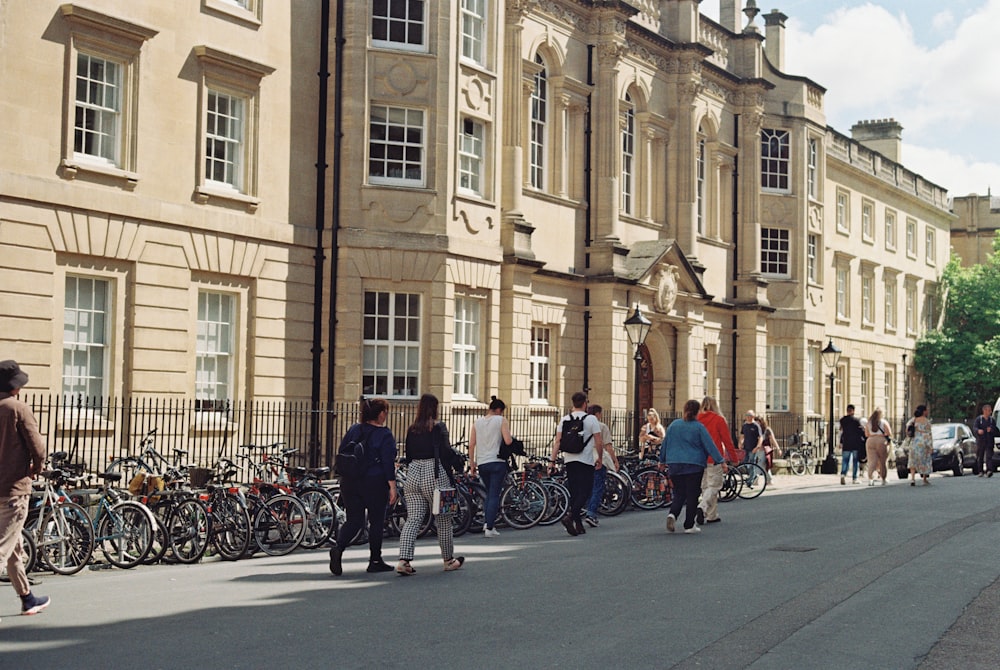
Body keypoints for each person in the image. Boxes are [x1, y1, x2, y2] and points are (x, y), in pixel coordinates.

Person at [0, 360, 50, 617]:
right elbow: (37, 446)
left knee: (14, 548)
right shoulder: (17, 408)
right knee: (3, 548)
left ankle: (27, 598)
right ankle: (27, 599)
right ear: (15, 386)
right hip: (13, 489)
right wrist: (37, 467)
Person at [329, 397, 399, 575]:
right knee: (376, 521)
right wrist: (392, 487)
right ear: (381, 414)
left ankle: (338, 548)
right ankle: (375, 560)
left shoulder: (354, 429)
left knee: (354, 520)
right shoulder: (385, 435)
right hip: (374, 482)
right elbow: (387, 463)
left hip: (350, 481)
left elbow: (342, 451)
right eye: (385, 412)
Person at [397, 394, 464, 575]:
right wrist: (458, 466)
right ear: (434, 408)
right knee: (443, 520)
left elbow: (409, 454)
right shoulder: (438, 427)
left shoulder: (412, 429)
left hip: (413, 474)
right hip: (434, 474)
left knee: (413, 519)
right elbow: (446, 452)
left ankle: (404, 560)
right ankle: (448, 560)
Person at [659, 399, 724, 534]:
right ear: (697, 411)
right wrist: (720, 460)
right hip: (694, 464)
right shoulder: (698, 427)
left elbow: (665, 443)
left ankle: (673, 514)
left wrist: (662, 460)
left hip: (674, 463)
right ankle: (689, 525)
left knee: (679, 493)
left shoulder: (674, 425)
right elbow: (709, 445)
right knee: (692, 494)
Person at [550, 391, 604, 536]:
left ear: (573, 403)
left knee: (575, 492)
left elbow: (558, 442)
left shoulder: (565, 419)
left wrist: (552, 461)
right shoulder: (591, 419)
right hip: (585, 460)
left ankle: (578, 524)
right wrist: (600, 457)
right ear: (585, 403)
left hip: (570, 459)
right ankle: (571, 517)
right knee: (586, 491)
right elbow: (598, 441)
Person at [468, 396, 513, 537]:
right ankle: (489, 527)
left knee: (488, 494)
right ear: (499, 410)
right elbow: (508, 440)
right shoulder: (501, 420)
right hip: (497, 462)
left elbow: (471, 444)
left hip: (482, 462)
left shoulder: (477, 422)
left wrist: (472, 464)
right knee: (494, 494)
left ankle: (487, 523)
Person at [695, 396, 736, 525]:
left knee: (705, 486)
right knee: (714, 486)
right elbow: (727, 441)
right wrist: (734, 458)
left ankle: (711, 515)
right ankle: (702, 507)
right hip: (714, 457)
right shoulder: (718, 419)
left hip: (699, 458)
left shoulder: (696, 419)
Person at [584, 404, 618, 527]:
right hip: (598, 458)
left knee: (587, 487)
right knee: (598, 487)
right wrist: (615, 460)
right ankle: (591, 513)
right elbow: (608, 446)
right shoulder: (602, 426)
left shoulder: (583, 425)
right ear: (598, 414)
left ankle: (585, 509)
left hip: (584, 459)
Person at [839, 404, 867, 485]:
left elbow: (842, 432)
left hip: (846, 443)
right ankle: (854, 478)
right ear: (853, 411)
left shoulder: (842, 420)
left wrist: (841, 442)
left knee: (845, 460)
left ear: (847, 410)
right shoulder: (856, 420)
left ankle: (843, 474)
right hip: (855, 443)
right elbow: (860, 431)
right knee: (855, 461)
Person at [865, 407, 893, 486]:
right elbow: (888, 432)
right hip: (881, 440)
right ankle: (883, 479)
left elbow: (866, 434)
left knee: (872, 461)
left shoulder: (869, 423)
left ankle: (871, 478)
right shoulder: (883, 422)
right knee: (882, 461)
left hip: (870, 441)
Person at [906, 405, 932, 486]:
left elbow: (907, 431)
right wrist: (931, 446)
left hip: (914, 442)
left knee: (913, 461)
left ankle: (912, 479)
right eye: (926, 410)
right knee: (925, 460)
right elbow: (929, 434)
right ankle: (924, 479)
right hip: (924, 442)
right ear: (924, 411)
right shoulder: (927, 421)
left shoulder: (913, 420)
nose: (927, 412)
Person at [972, 403, 997, 477]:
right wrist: (978, 431)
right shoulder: (979, 420)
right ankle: (980, 471)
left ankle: (989, 470)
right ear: (984, 411)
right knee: (980, 456)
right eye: (988, 410)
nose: (990, 412)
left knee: (989, 456)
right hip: (981, 441)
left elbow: (995, 429)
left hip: (989, 441)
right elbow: (975, 428)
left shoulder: (992, 420)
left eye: (990, 410)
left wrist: (991, 429)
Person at [739, 410, 763, 486]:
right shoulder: (745, 425)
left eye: (749, 415)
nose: (747, 416)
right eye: (747, 415)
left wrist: (757, 446)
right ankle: (753, 476)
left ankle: (751, 480)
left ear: (752, 416)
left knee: (752, 463)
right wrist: (740, 443)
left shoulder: (756, 426)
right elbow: (742, 435)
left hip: (753, 448)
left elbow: (760, 437)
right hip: (746, 447)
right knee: (745, 463)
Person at [754, 416, 776, 487]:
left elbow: (773, 439)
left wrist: (778, 449)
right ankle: (769, 480)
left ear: (762, 422)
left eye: (758, 422)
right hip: (757, 450)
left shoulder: (767, 430)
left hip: (764, 450)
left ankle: (755, 480)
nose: (757, 423)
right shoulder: (756, 429)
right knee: (763, 466)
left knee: (759, 464)